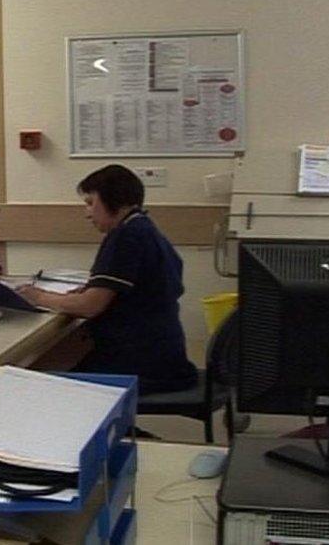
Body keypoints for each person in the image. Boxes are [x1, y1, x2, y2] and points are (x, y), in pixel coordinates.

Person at [16, 165, 199, 394]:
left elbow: (90, 306)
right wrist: (91, 289)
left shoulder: (125, 236)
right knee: (60, 360)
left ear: (113, 199)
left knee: (33, 380)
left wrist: (38, 296)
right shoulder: (144, 228)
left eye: (91, 203)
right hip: (162, 356)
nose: (87, 213)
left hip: (140, 364)